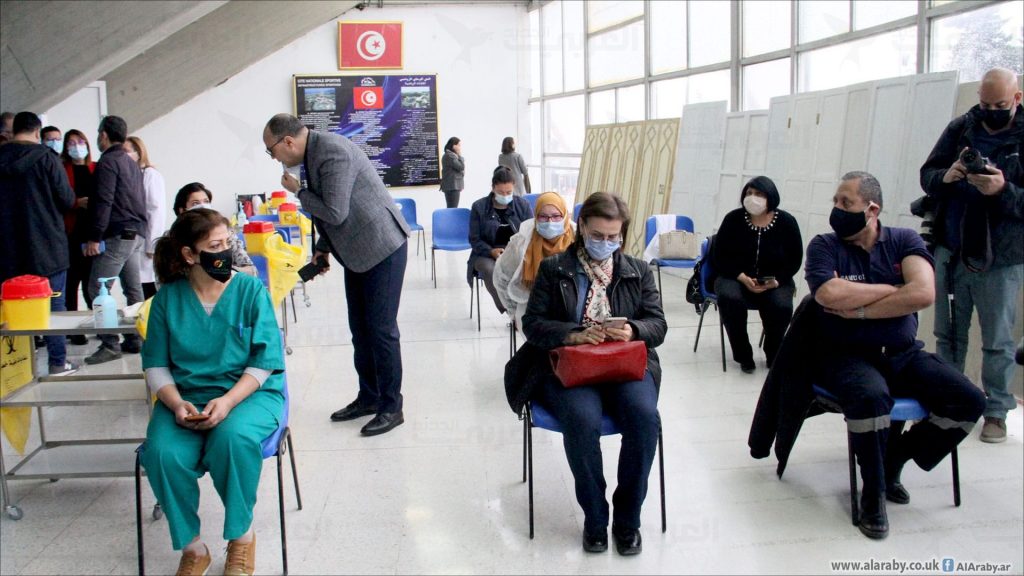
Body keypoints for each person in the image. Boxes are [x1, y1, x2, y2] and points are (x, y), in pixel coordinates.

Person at [805, 171, 985, 540]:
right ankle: (873, 495)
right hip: (847, 356)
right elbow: (828, 294)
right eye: (835, 201)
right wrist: (893, 289)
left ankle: (896, 457)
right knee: (871, 397)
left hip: (902, 354)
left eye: (846, 203)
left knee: (969, 400)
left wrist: (861, 310)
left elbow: (923, 294)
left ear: (872, 210)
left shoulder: (904, 240)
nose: (837, 209)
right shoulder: (824, 245)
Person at [522, 191, 666, 556]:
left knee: (644, 417)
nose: (605, 243)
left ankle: (628, 520)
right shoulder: (554, 269)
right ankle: (596, 518)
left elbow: (658, 325)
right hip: (573, 366)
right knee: (582, 419)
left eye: (613, 237)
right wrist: (572, 334)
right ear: (582, 226)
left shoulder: (637, 270)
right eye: (598, 235)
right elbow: (533, 325)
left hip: (624, 364)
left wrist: (633, 329)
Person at [141, 208, 284, 576]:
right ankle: (193, 548)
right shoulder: (168, 300)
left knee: (232, 439)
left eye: (228, 242)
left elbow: (265, 361)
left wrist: (229, 401)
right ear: (190, 254)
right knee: (162, 452)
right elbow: (155, 364)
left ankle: (242, 538)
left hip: (250, 394)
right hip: (186, 396)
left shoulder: (249, 290)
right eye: (215, 246)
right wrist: (176, 404)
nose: (226, 252)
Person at [263, 113, 410, 436]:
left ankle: (391, 407)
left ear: (288, 142)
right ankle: (369, 397)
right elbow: (333, 209)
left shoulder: (331, 152)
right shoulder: (313, 153)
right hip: (356, 251)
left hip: (382, 247)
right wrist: (322, 247)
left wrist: (298, 192)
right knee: (361, 329)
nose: (273, 158)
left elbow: (334, 211)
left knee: (381, 331)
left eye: (271, 150)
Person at [919, 67, 1024, 444]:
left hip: (1001, 257)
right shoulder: (960, 128)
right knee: (947, 334)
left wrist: (1003, 189)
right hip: (952, 249)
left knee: (997, 339)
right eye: (985, 104)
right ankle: (951, 400)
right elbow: (927, 175)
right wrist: (946, 176)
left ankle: (996, 410)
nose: (991, 111)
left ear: (1017, 99)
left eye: (999, 105)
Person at [0, 112, 77, 376]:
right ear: (37, 132)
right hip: (47, 245)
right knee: (54, 305)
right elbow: (66, 199)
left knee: (10, 310)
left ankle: (16, 369)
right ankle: (57, 363)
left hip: (7, 248)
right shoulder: (47, 158)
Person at [711, 176, 803, 372]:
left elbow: (795, 260)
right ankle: (743, 354)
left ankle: (773, 353)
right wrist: (741, 276)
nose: (752, 197)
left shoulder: (787, 222)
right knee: (729, 298)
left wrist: (776, 281)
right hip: (735, 277)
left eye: (759, 194)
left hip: (775, 281)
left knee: (781, 306)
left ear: (770, 197)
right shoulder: (733, 219)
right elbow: (719, 256)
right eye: (749, 193)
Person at [83, 115, 148, 365]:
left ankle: (109, 343)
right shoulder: (131, 162)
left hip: (118, 233)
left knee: (96, 288)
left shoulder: (108, 162)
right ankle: (137, 338)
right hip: (136, 233)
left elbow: (104, 201)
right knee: (133, 289)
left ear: (103, 135)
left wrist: (94, 236)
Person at [493, 191, 574, 330]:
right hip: (532, 308)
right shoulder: (521, 242)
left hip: (571, 307)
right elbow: (501, 277)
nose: (550, 222)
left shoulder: (577, 239)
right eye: (543, 217)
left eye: (556, 216)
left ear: (565, 216)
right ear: (536, 216)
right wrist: (513, 311)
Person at [469, 166, 533, 314]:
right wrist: (491, 251)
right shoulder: (479, 207)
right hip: (486, 254)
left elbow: (530, 232)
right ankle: (509, 309)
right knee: (490, 269)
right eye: (501, 192)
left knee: (528, 267)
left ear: (514, 187)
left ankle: (526, 309)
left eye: (509, 192)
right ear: (493, 188)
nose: (505, 196)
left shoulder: (522, 205)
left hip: (516, 253)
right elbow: (474, 239)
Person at [59, 130, 98, 343]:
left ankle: (101, 326)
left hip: (93, 234)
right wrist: (76, 203)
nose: (76, 146)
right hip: (71, 233)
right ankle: (74, 330)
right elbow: (58, 198)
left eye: (80, 141)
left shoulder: (96, 168)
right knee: (72, 283)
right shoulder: (62, 169)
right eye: (71, 143)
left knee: (93, 283)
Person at [173, 182, 256, 276]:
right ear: (182, 210)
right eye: (195, 203)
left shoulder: (226, 234)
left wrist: (227, 270)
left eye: (206, 201)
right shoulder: (173, 238)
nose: (203, 206)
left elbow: (252, 271)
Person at [124, 136, 167, 299]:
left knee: (146, 287)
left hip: (145, 243)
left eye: (127, 151)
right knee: (133, 287)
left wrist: (152, 245)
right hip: (132, 240)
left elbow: (156, 210)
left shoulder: (150, 175)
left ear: (138, 152)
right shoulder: (128, 176)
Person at [440, 136, 464, 208]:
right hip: (452, 186)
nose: (460, 147)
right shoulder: (450, 156)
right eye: (458, 145)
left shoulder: (449, 155)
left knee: (452, 208)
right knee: (453, 208)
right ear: (453, 145)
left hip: (451, 186)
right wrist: (459, 155)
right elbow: (461, 167)